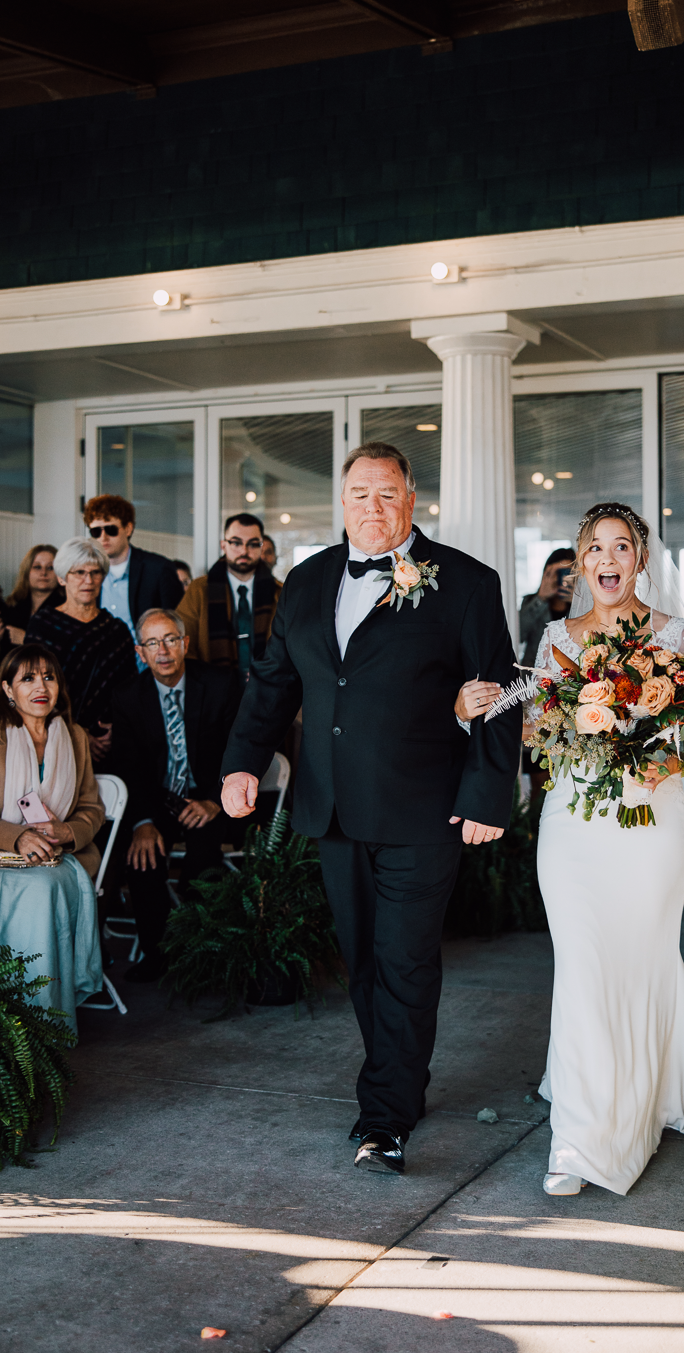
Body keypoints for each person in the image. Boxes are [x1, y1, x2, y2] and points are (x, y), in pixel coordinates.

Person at [220, 442, 522, 1176]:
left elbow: (499, 694)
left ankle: (385, 1117)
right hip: (334, 811)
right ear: (341, 501)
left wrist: (488, 794)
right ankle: (401, 1081)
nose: (373, 508)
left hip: (426, 812)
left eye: (387, 495)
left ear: (413, 501)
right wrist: (239, 763)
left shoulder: (467, 584)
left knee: (405, 961)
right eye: (360, 494)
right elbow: (272, 685)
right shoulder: (307, 580)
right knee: (361, 964)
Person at [458, 501, 684, 1199]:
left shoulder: (680, 636)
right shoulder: (556, 638)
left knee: (641, 961)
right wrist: (468, 707)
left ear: (641, 560)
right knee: (582, 968)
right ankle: (580, 1141)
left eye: (621, 546)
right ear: (581, 562)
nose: (607, 559)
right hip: (574, 823)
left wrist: (672, 758)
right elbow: (529, 719)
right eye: (594, 547)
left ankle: (643, 1095)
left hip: (650, 824)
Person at [0, 644, 104, 1030]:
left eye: (49, 677)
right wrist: (17, 837)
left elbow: (91, 808)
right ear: (7, 689)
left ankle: (40, 1018)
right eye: (28, 678)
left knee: (41, 887)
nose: (41, 686)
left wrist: (67, 831)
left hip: (59, 855)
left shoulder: (76, 738)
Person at [113, 608, 242, 982]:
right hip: (158, 801)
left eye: (170, 639)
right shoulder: (127, 697)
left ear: (185, 643)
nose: (163, 650)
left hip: (212, 797)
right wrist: (142, 822)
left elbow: (242, 748)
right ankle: (159, 955)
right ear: (140, 653)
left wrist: (217, 801)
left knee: (203, 861)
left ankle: (205, 955)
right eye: (152, 643)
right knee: (143, 858)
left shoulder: (221, 683)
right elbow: (128, 767)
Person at [26, 538, 137, 767]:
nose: (88, 580)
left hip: (109, 744)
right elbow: (31, 688)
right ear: (61, 577)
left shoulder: (117, 630)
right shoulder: (43, 624)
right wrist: (77, 733)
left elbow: (130, 689)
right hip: (53, 740)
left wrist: (111, 730)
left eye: (96, 572)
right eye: (79, 572)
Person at [177, 512, 279, 679]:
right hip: (213, 691)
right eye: (236, 543)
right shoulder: (198, 590)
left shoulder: (280, 592)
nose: (244, 551)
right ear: (223, 545)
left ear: (261, 547)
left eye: (253, 544)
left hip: (267, 690)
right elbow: (185, 647)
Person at [83, 494, 184, 642]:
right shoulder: (87, 573)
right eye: (96, 532)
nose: (103, 537)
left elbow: (176, 625)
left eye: (111, 529)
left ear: (128, 528)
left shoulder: (158, 569)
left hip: (145, 662)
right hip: (102, 662)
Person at [519, 547, 576, 670]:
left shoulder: (582, 606)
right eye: (558, 572)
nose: (563, 578)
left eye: (568, 572)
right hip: (534, 678)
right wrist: (541, 598)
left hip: (570, 678)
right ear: (547, 573)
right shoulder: (531, 602)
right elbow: (518, 634)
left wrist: (577, 603)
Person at [5, 543, 59, 643]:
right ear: (26, 572)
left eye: (51, 567)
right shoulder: (12, 605)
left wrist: (26, 639)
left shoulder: (66, 609)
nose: (44, 573)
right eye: (37, 567)